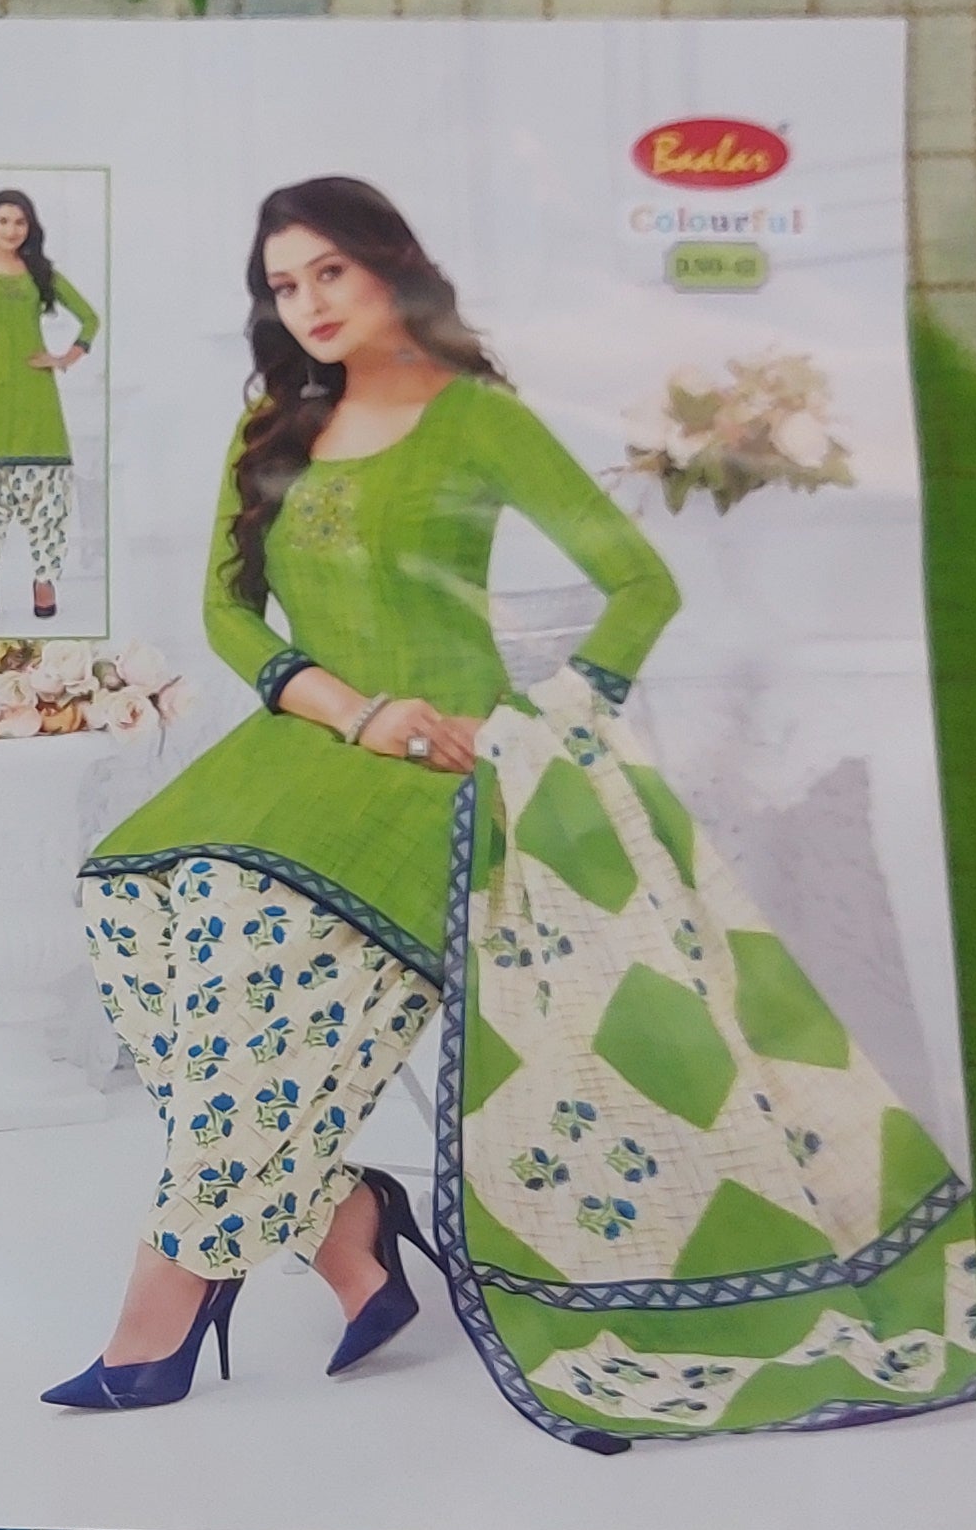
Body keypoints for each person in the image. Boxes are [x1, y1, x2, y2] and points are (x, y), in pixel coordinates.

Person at [45, 178, 675, 1413]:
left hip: (436, 764)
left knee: (239, 929)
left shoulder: (476, 418)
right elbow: (228, 610)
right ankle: (345, 1217)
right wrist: (343, 707)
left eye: (328, 270)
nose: (308, 302)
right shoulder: (274, 426)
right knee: (126, 903)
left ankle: (161, 1304)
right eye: (284, 284)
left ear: (392, 262)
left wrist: (538, 725)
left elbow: (639, 583)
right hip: (310, 736)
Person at [0, 190, 99, 625]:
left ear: (30, 227)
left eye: (20, 222)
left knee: (47, 499)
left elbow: (91, 318)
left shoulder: (40, 272)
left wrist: (65, 359)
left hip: (36, 401)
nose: (12, 230)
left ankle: (44, 584)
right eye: (4, 220)